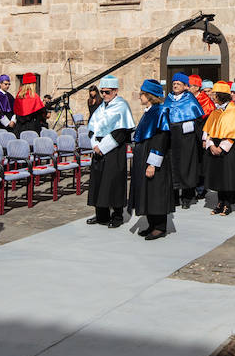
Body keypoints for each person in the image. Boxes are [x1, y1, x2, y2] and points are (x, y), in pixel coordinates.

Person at [129, 78, 174, 240]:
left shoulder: (160, 111)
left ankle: (160, 226)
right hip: (143, 155)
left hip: (153, 156)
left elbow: (161, 139)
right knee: (146, 190)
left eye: (142, 94)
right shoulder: (148, 112)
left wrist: (152, 164)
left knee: (156, 191)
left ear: (149, 95)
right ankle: (151, 224)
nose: (140, 96)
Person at [86, 75, 132, 228]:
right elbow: (92, 128)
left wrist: (103, 147)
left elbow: (121, 132)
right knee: (98, 182)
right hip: (98, 149)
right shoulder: (100, 107)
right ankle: (101, 215)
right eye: (102, 92)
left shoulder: (122, 106)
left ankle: (117, 216)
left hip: (113, 151)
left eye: (107, 92)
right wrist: (94, 145)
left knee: (113, 182)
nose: (104, 95)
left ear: (115, 91)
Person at [159, 73, 204, 209]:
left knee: (186, 166)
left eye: (178, 83)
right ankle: (174, 197)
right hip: (172, 138)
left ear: (185, 86)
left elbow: (198, 120)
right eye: (174, 83)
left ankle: (187, 196)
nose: (175, 85)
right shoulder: (169, 99)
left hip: (186, 139)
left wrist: (187, 126)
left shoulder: (190, 99)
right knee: (172, 166)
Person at [202, 81, 235, 215]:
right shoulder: (216, 111)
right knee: (218, 176)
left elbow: (233, 132)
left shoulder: (232, 110)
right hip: (215, 146)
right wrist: (211, 145)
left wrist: (221, 148)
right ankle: (220, 202)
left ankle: (228, 204)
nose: (213, 97)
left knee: (227, 177)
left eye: (215, 94)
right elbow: (208, 130)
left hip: (227, 149)